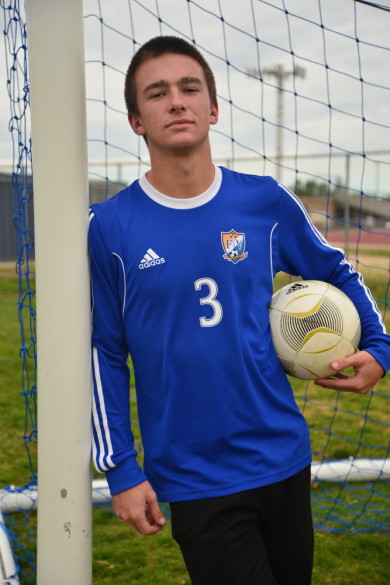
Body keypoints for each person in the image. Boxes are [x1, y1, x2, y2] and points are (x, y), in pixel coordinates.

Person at [88, 36, 389, 585]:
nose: (176, 101)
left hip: (283, 456)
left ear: (214, 107)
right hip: (198, 477)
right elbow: (103, 351)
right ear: (136, 120)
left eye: (189, 88)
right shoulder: (110, 227)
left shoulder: (266, 201)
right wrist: (122, 469)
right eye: (157, 93)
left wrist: (380, 348)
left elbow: (337, 270)